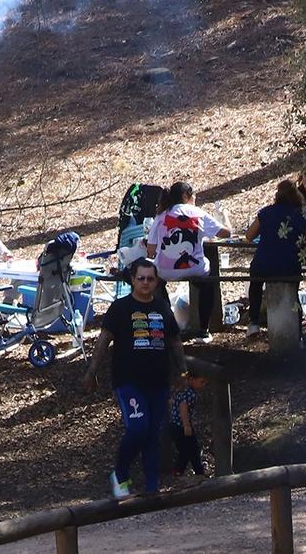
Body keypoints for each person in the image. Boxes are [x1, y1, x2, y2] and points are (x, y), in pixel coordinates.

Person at [82, 257, 186, 497]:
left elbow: (174, 341)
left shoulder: (162, 307)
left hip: (158, 382)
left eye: (150, 279)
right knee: (138, 428)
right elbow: (103, 341)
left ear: (157, 281)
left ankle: (151, 489)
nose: (146, 283)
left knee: (152, 434)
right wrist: (91, 372)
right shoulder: (120, 308)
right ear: (132, 280)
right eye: (141, 278)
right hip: (128, 382)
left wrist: (182, 371)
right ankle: (120, 474)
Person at [145, 180, 231, 339]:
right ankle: (203, 329)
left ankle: (169, 323)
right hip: (195, 268)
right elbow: (226, 233)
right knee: (207, 282)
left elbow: (150, 250)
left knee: (158, 282)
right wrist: (225, 215)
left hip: (165, 270)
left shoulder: (161, 216)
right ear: (186, 195)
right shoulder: (197, 212)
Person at [243, 178, 306, 328]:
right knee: (293, 291)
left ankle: (253, 321)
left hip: (263, 265)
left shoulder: (266, 213)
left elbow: (249, 236)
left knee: (256, 283)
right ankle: (297, 329)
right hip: (289, 266)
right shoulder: (301, 215)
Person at [169, 373, 208, 478]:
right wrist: (186, 425)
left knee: (193, 449)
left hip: (177, 425)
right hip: (180, 427)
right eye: (202, 382)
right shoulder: (189, 393)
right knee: (186, 451)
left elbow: (173, 401)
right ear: (191, 379)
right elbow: (183, 407)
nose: (203, 385)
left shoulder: (183, 390)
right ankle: (178, 472)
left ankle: (199, 472)